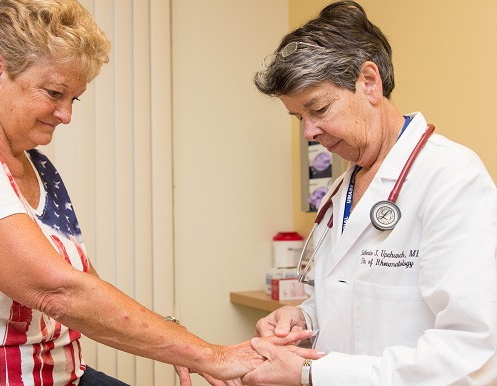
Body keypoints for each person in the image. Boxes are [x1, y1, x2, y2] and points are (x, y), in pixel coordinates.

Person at [0, 1, 322, 385]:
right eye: (55, 93)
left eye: (74, 99)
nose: (65, 115)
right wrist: (210, 355)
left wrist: (180, 341)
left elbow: (87, 285)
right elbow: (59, 292)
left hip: (60, 373)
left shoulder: (35, 165)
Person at [200, 1, 497, 385]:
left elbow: (473, 354)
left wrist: (311, 373)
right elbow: (352, 303)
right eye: (299, 119)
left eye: (319, 109)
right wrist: (303, 317)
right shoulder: (342, 189)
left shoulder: (451, 178)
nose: (309, 132)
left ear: (369, 82)